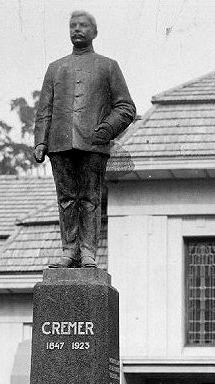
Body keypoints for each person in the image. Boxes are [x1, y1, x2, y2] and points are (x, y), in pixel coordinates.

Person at [33, 10, 136, 269]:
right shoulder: (55, 68)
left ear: (94, 32)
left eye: (83, 25)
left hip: (94, 144)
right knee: (66, 199)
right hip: (60, 144)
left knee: (91, 198)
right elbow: (44, 108)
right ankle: (68, 251)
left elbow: (126, 107)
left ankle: (88, 252)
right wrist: (40, 141)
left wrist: (107, 129)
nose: (76, 29)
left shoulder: (108, 66)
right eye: (72, 25)